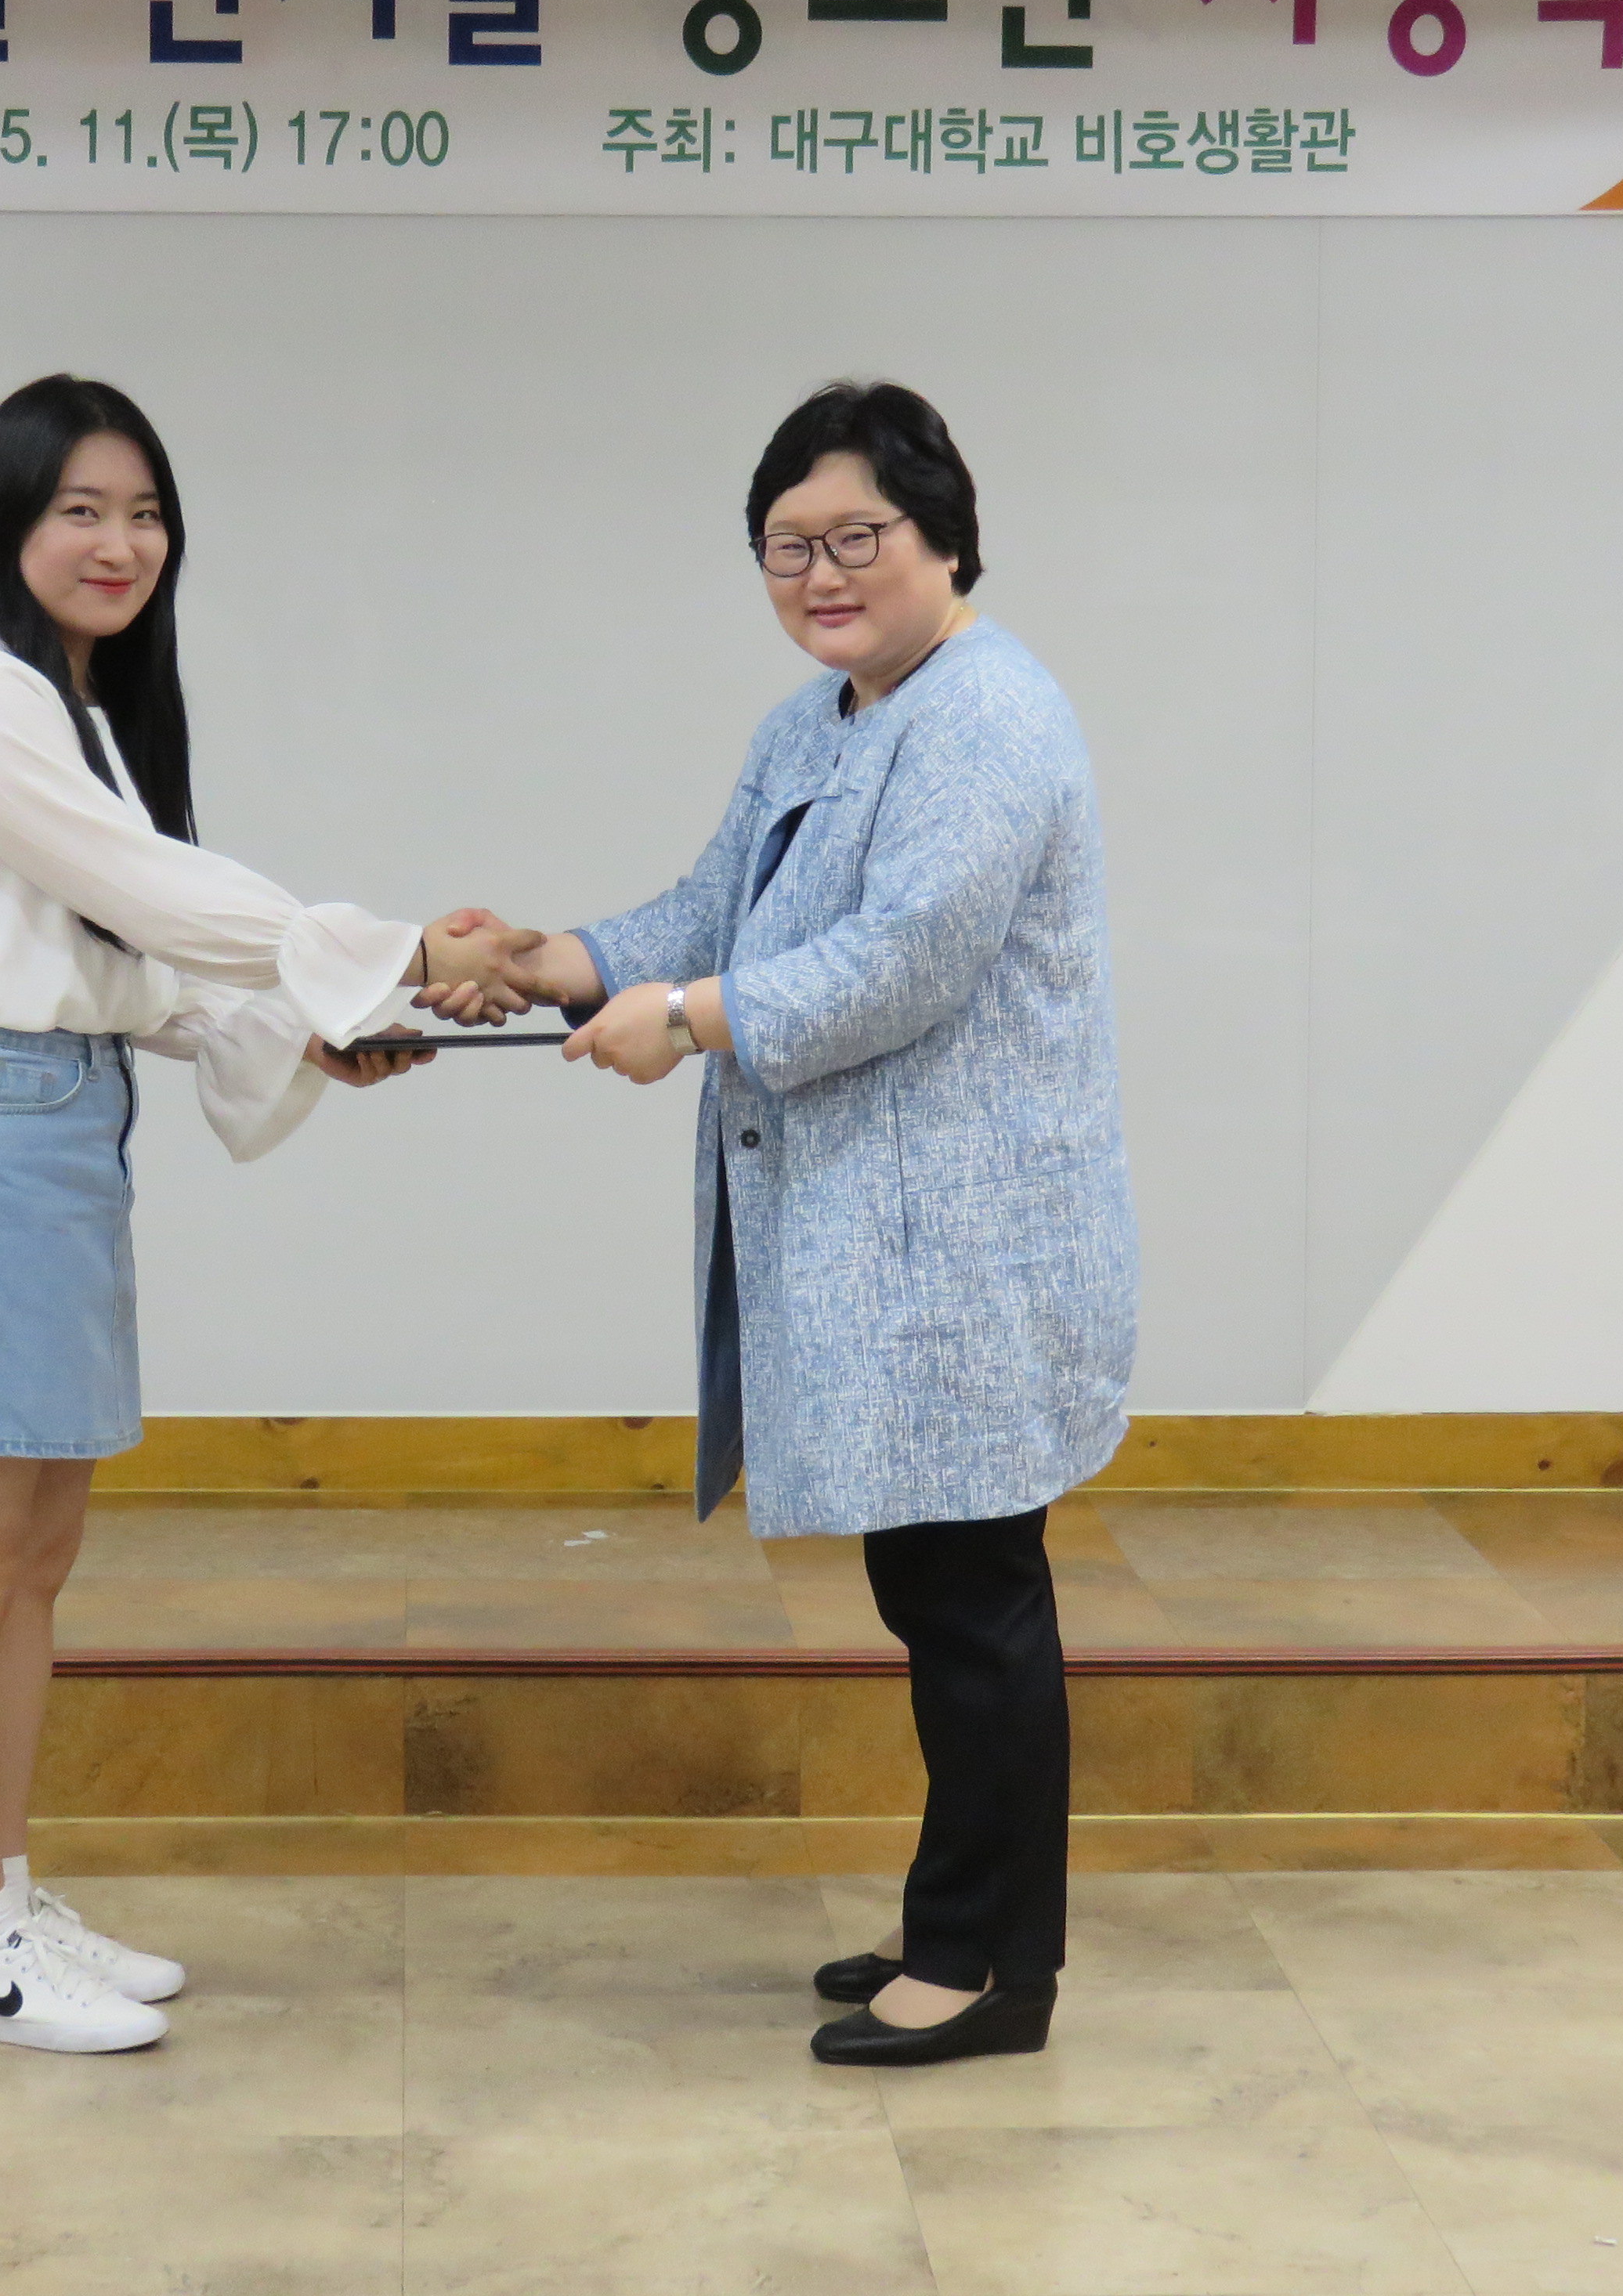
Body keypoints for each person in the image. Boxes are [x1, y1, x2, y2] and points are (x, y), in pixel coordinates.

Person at [435, 381, 1133, 2067]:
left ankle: (994, 1968)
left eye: (856, 538)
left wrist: (689, 1018)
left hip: (965, 1248)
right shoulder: (820, 719)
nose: (822, 575)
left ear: (944, 534)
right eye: (786, 547)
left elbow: (903, 961)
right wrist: (552, 960)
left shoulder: (990, 714)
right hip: (883, 1245)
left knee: (974, 1602)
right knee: (936, 1594)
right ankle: (958, 1912)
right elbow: (712, 906)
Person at [0, 373, 530, 2054]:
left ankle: (6, 1900)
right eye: (81, 509)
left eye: (146, 512)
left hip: (58, 1128)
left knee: (35, 1561)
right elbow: (158, 898)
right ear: (7, 522)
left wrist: (320, 1024)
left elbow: (133, 972)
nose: (121, 542)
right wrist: (396, 951)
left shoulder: (72, 711)